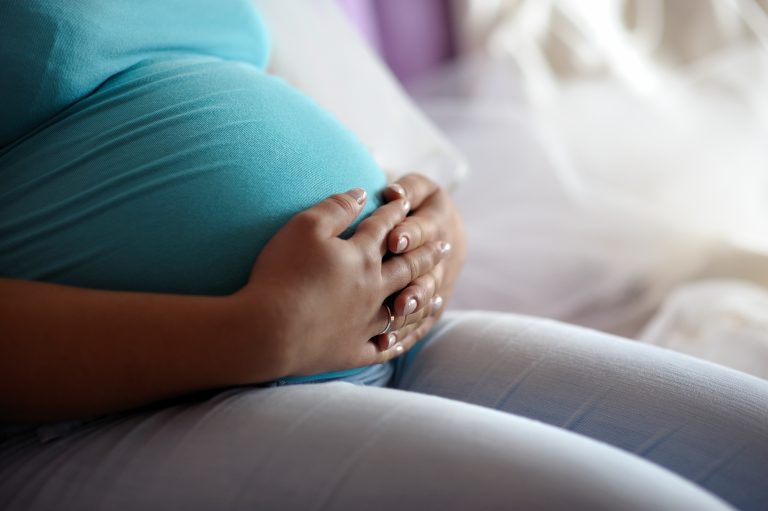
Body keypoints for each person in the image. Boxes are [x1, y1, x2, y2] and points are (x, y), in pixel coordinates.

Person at [1, 1, 766, 510]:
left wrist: (422, 222)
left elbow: (245, 88)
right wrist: (252, 334)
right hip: (98, 410)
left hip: (373, 334)